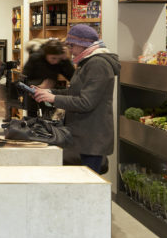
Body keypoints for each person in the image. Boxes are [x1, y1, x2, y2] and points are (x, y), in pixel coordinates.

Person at [33, 24, 120, 174]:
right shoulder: (87, 62)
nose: (70, 50)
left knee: (88, 187)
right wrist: (49, 92)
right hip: (83, 136)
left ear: (83, 44)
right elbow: (74, 92)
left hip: (92, 139)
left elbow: (86, 102)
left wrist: (53, 98)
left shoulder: (98, 64)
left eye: (72, 45)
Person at [21, 38, 75, 116]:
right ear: (46, 54)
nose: (56, 61)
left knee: (50, 123)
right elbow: (23, 80)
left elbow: (73, 77)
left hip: (50, 96)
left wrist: (66, 60)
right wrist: (39, 85)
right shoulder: (35, 58)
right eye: (53, 58)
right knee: (32, 121)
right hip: (33, 98)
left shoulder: (60, 61)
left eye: (58, 59)